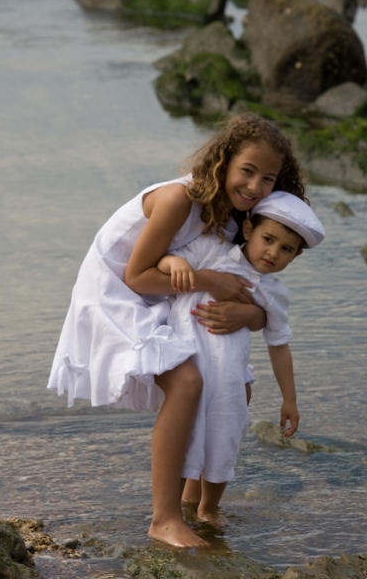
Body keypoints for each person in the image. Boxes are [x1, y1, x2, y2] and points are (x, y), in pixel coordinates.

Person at [47, 112, 308, 548]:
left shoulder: (235, 215)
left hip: (167, 293)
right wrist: (208, 281)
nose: (255, 186)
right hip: (117, 293)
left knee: (229, 385)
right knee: (186, 382)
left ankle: (192, 502)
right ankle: (163, 519)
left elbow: (249, 289)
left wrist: (250, 316)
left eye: (268, 178)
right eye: (247, 171)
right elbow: (137, 276)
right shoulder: (177, 200)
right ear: (223, 161)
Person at [156, 191, 325, 523]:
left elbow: (279, 344)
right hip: (188, 367)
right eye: (268, 239)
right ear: (248, 231)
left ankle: (207, 509)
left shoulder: (271, 292)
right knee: (186, 437)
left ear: (297, 256)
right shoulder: (211, 252)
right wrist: (173, 263)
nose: (273, 252)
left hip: (229, 378)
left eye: (286, 249)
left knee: (225, 437)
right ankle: (171, 511)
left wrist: (289, 399)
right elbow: (164, 258)